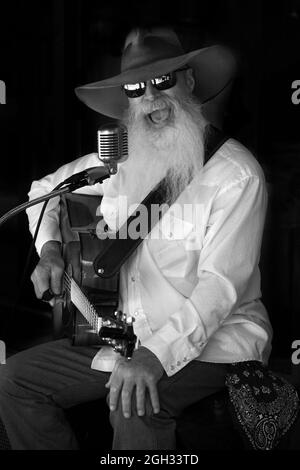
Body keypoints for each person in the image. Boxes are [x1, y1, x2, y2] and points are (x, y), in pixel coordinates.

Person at [0, 27, 273, 450]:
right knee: (13, 381)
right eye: (135, 88)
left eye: (162, 80)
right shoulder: (121, 161)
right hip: (127, 339)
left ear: (190, 82)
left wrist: (153, 358)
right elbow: (45, 190)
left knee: (133, 403)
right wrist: (50, 249)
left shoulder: (235, 175)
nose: (150, 97)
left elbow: (220, 287)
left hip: (215, 346)